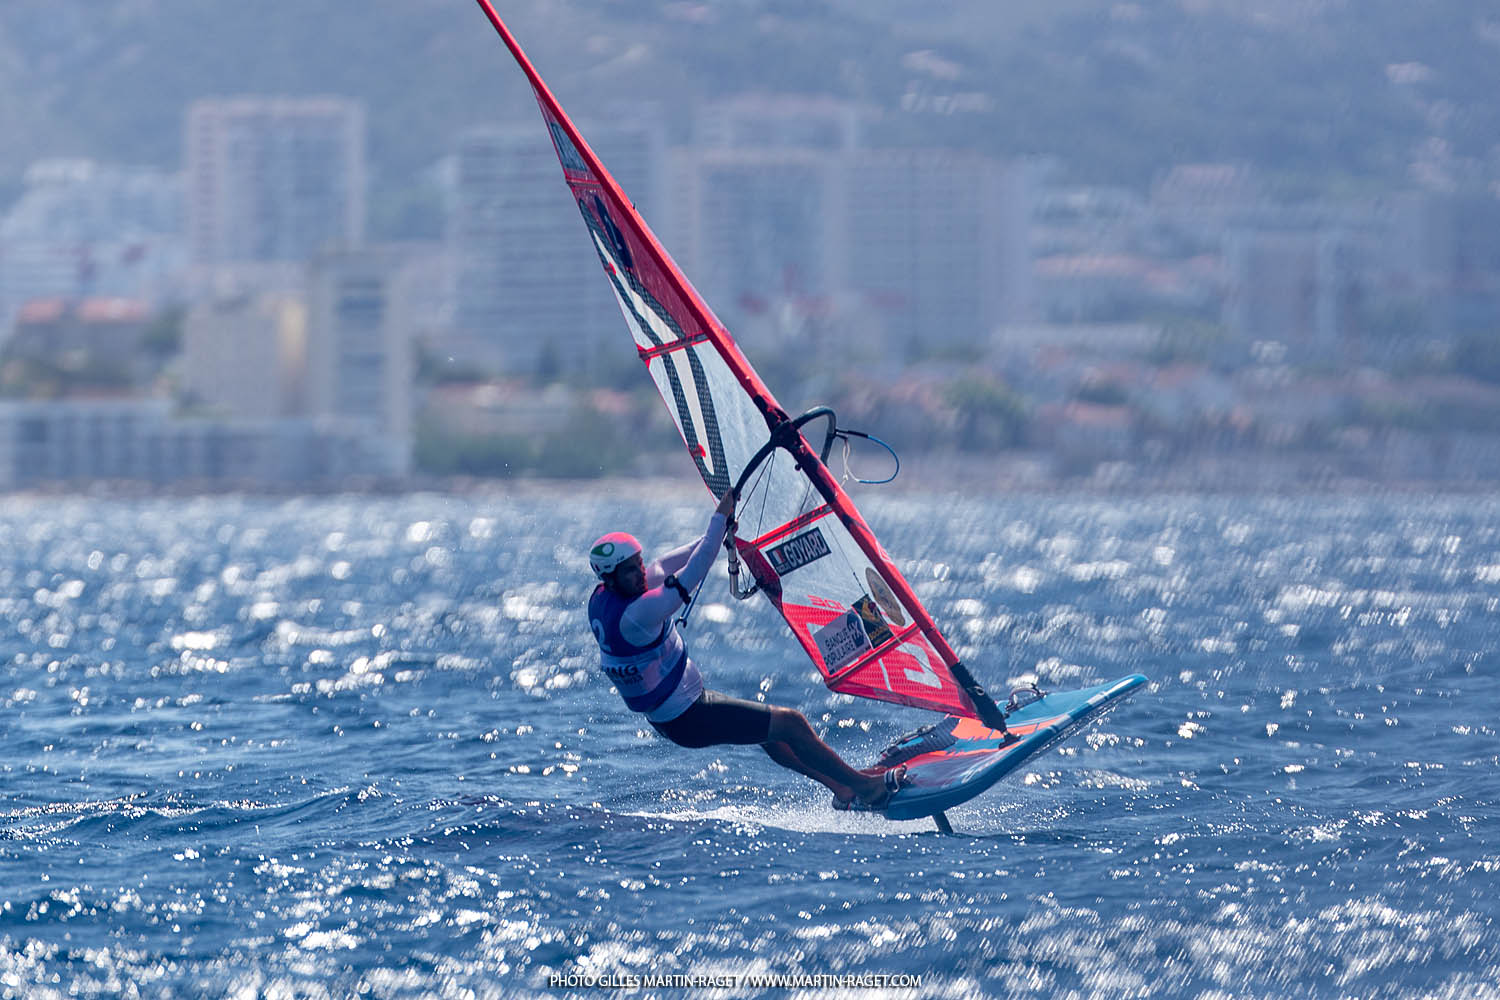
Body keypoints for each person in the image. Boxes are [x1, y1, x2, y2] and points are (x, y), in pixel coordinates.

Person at [586, 490, 904, 810]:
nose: (639, 573)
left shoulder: (606, 599)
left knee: (773, 736)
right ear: (610, 579)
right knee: (790, 723)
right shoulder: (637, 615)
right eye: (629, 570)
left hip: (679, 712)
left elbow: (660, 566)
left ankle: (842, 787)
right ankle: (866, 787)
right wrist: (716, 522)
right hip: (686, 717)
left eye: (636, 564)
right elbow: (694, 571)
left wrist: (719, 531)